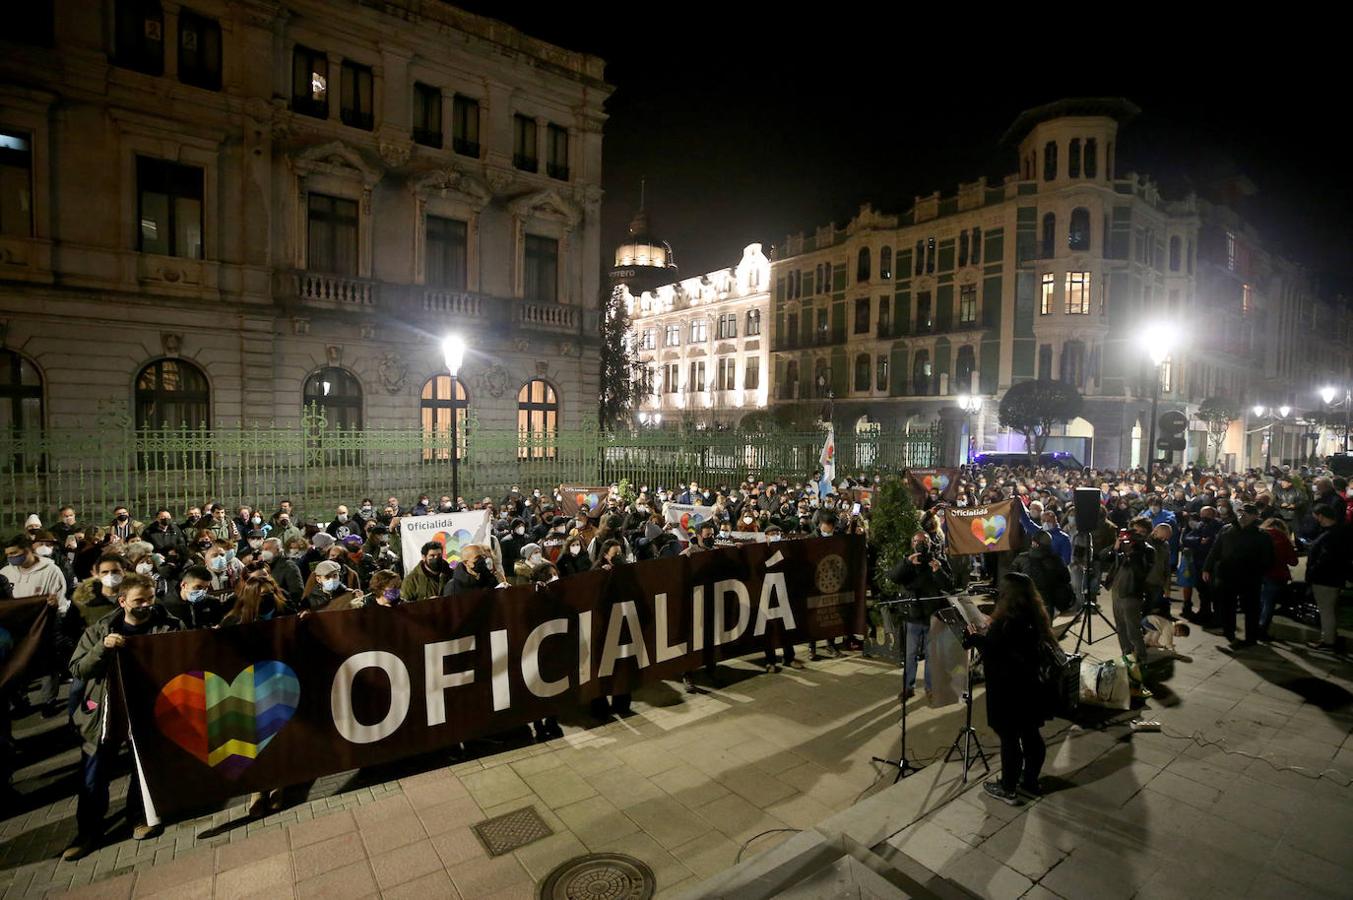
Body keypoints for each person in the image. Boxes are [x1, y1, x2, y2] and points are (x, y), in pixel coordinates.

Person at [63, 573, 182, 860]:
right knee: (94, 776)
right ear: (123, 601)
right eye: (139, 600)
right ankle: (89, 832)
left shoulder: (169, 626)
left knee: (141, 769)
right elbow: (78, 669)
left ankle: (139, 817)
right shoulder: (99, 630)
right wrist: (101, 649)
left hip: (148, 709)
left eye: (150, 599)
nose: (146, 605)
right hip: (104, 713)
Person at [964, 572, 1053, 806]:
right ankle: (1030, 781)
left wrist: (974, 638)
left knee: (1010, 738)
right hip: (1030, 685)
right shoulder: (1033, 614)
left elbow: (997, 651)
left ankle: (1008, 788)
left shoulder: (1008, 621)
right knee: (1030, 733)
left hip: (1008, 688)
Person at [889, 532, 953, 699]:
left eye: (924, 541)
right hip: (913, 616)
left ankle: (930, 688)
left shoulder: (939, 561)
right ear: (912, 543)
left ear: (930, 543)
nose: (920, 544)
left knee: (932, 654)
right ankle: (908, 687)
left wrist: (937, 570)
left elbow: (949, 585)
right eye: (917, 541)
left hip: (933, 616)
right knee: (910, 654)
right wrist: (907, 563)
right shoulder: (908, 560)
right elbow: (893, 577)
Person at [1203, 502, 1273, 647]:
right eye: (1240, 511)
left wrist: (1259, 572)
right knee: (1228, 606)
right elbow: (1215, 550)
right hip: (1227, 575)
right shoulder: (1226, 530)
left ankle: (1251, 637)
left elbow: (1268, 558)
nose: (1242, 515)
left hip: (1250, 577)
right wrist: (1207, 568)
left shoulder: (1262, 536)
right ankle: (1229, 632)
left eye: (1246, 513)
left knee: (1251, 608)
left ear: (1255, 516)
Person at [1100, 517, 1155, 690]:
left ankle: (1141, 660)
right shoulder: (1123, 545)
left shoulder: (1147, 550)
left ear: (1147, 534)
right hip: (1117, 591)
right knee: (1121, 628)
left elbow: (1141, 573)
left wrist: (1134, 553)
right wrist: (1115, 548)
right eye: (1135, 531)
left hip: (1132, 593)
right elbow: (1103, 557)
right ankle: (1127, 657)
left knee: (1133, 629)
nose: (1137, 535)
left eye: (1142, 533)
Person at [1306, 505, 1351, 651]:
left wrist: (1312, 571)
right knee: (1330, 609)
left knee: (1326, 611)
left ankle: (1328, 641)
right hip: (1334, 577)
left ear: (1321, 516)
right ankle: (1331, 637)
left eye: (1315, 516)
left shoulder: (1330, 535)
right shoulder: (1339, 531)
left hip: (1325, 578)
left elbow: (1325, 558)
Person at [1010, 530, 1075, 616]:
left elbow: (1011, 580)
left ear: (1034, 543)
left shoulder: (1021, 558)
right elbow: (1066, 579)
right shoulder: (1057, 560)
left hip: (1025, 602)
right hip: (1048, 604)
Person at [1258, 518, 1298, 643]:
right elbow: (1293, 561)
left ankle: (1254, 627)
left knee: (1259, 601)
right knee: (1269, 604)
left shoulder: (1258, 535)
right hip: (1276, 575)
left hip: (1258, 574)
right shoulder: (1282, 538)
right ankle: (1262, 629)